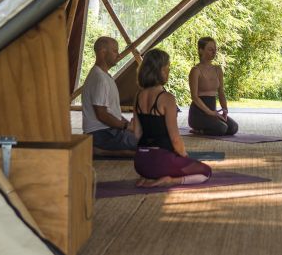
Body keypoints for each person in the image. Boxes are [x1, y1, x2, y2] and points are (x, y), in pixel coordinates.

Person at [133, 49, 212, 187]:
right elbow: (175, 139)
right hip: (161, 161)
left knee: (168, 163)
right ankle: (170, 180)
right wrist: (184, 158)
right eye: (168, 67)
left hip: (140, 163)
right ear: (161, 70)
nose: (168, 71)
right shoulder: (167, 98)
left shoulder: (138, 96)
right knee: (205, 172)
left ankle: (149, 177)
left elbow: (137, 133)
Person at [82, 36, 137, 154]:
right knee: (146, 143)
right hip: (101, 133)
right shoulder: (99, 78)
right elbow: (101, 114)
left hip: (107, 131)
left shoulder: (103, 76)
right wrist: (126, 127)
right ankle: (101, 150)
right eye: (115, 51)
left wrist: (127, 124)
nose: (119, 55)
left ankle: (106, 150)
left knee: (147, 139)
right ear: (102, 52)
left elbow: (112, 112)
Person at [188, 37, 238, 136]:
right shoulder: (195, 70)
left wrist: (224, 110)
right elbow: (194, 97)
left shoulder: (218, 69)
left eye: (215, 49)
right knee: (222, 129)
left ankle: (208, 127)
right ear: (201, 50)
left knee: (233, 128)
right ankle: (198, 130)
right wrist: (210, 113)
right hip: (199, 114)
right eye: (210, 49)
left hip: (213, 113)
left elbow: (221, 92)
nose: (214, 52)